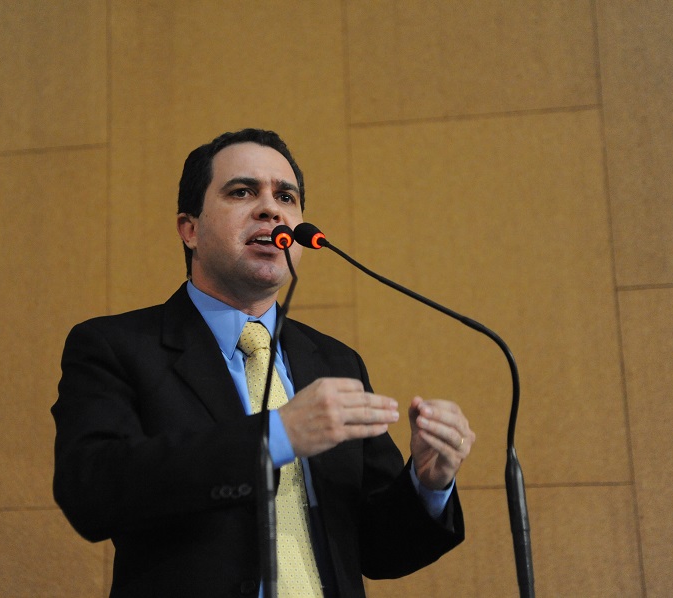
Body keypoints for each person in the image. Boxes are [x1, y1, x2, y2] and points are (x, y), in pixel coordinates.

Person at [52, 128, 475, 597]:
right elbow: (91, 491)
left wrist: (426, 483)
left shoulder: (336, 362)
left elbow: (379, 550)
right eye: (242, 192)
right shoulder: (116, 346)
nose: (271, 209)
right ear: (190, 229)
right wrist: (273, 438)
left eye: (286, 197)